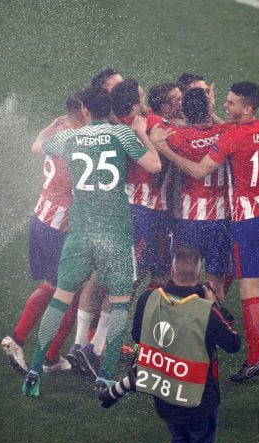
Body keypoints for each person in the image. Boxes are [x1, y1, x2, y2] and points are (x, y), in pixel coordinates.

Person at [22, 85, 161, 396]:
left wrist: (53, 122)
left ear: (84, 110)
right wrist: (142, 133)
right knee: (120, 302)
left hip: (81, 230)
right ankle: (106, 375)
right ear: (107, 107)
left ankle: (34, 368)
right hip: (115, 230)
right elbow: (155, 165)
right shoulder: (122, 135)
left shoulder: (69, 138)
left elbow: (37, 146)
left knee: (60, 299)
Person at [151, 81, 259, 383]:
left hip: (241, 220)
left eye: (231, 103)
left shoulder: (228, 136)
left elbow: (199, 169)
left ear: (247, 107)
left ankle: (253, 359)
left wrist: (164, 148)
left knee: (248, 290)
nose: (225, 107)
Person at [99, 246, 240, 443]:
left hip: (163, 394)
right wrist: (214, 304)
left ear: (172, 271)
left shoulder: (148, 298)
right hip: (199, 399)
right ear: (199, 273)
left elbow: (140, 336)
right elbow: (233, 342)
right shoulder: (203, 309)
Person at [1, 93, 86, 375]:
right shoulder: (79, 141)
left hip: (41, 218)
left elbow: (35, 146)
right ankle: (20, 340)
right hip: (57, 226)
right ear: (84, 111)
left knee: (60, 286)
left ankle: (49, 354)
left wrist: (51, 125)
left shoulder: (60, 131)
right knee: (65, 290)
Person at [164, 87, 232, 300]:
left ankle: (184, 325)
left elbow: (156, 131)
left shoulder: (178, 136)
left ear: (185, 111)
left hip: (188, 218)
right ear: (208, 108)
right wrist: (211, 111)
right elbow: (235, 129)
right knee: (215, 281)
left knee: (183, 278)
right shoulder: (225, 133)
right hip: (218, 218)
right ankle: (212, 326)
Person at [112, 79, 174, 291]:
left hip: (112, 205)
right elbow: (156, 164)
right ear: (134, 106)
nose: (144, 97)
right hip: (141, 208)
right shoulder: (148, 123)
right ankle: (143, 319)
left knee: (111, 277)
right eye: (141, 96)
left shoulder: (109, 125)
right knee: (138, 276)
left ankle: (93, 324)